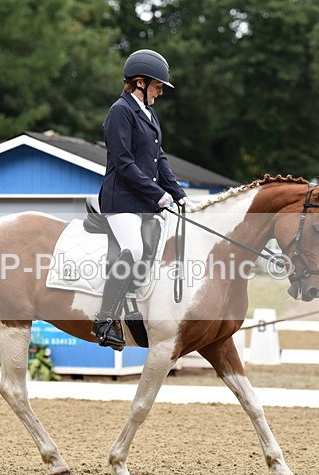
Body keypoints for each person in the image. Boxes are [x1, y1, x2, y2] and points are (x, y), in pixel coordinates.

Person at [92, 49, 192, 349]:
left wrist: (178, 194)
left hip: (143, 203)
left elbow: (159, 159)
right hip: (120, 201)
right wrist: (158, 194)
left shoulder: (148, 113)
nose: (160, 92)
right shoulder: (120, 111)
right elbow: (123, 162)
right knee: (134, 248)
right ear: (139, 82)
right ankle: (105, 319)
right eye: (158, 86)